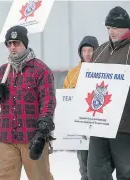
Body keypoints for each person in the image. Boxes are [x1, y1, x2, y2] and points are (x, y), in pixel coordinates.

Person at [0, 25, 56, 180]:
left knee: (40, 177)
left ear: (25, 44)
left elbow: (48, 101)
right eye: (9, 44)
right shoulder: (4, 71)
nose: (12, 47)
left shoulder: (41, 70)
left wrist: (42, 132)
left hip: (32, 137)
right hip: (7, 137)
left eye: (16, 43)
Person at [88, 6, 130, 180]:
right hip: (100, 122)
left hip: (124, 124)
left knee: (126, 171)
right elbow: (89, 82)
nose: (111, 32)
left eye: (115, 27)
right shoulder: (101, 50)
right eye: (108, 28)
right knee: (96, 170)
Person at [62, 35, 101, 180]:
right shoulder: (73, 74)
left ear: (96, 51)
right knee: (83, 163)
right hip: (81, 127)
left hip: (99, 125)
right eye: (84, 50)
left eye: (90, 50)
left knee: (99, 164)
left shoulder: (104, 70)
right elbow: (65, 98)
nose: (87, 54)